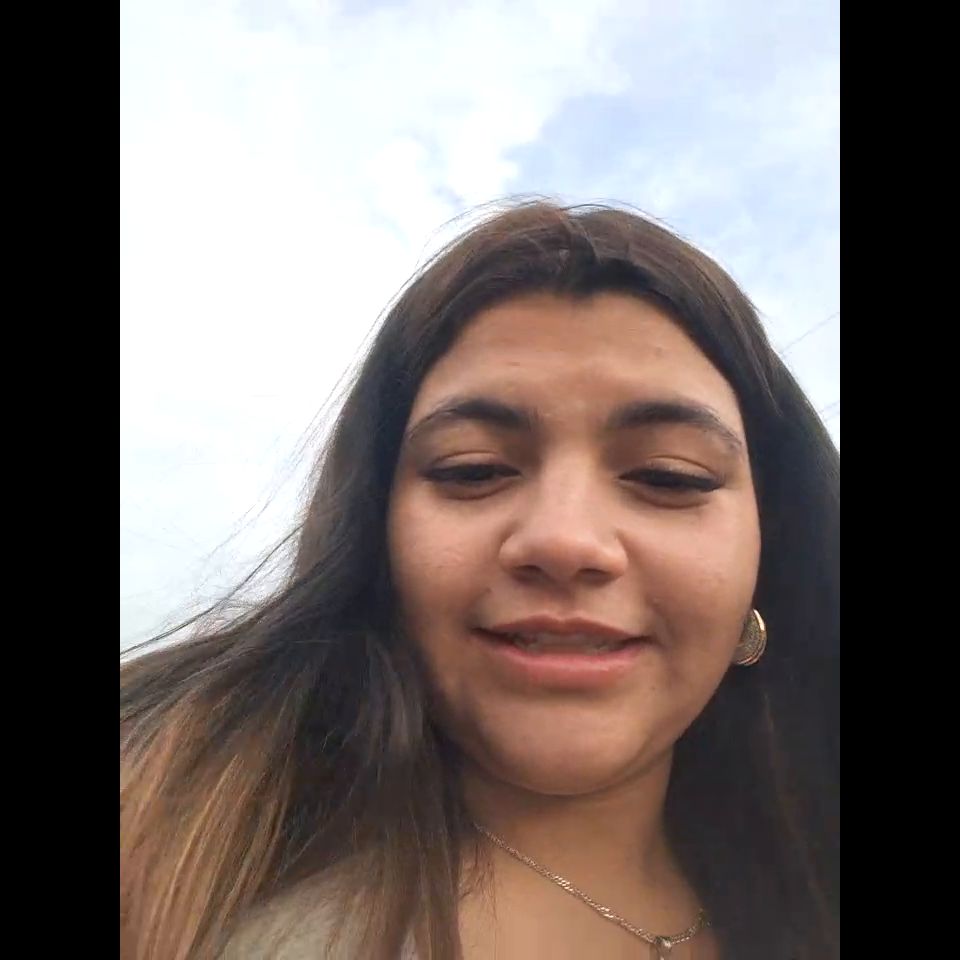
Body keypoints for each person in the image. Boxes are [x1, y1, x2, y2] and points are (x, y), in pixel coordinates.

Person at [120, 201, 840, 960]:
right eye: (473, 469)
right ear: (377, 534)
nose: (564, 540)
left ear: (768, 542)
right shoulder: (166, 859)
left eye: (669, 475)